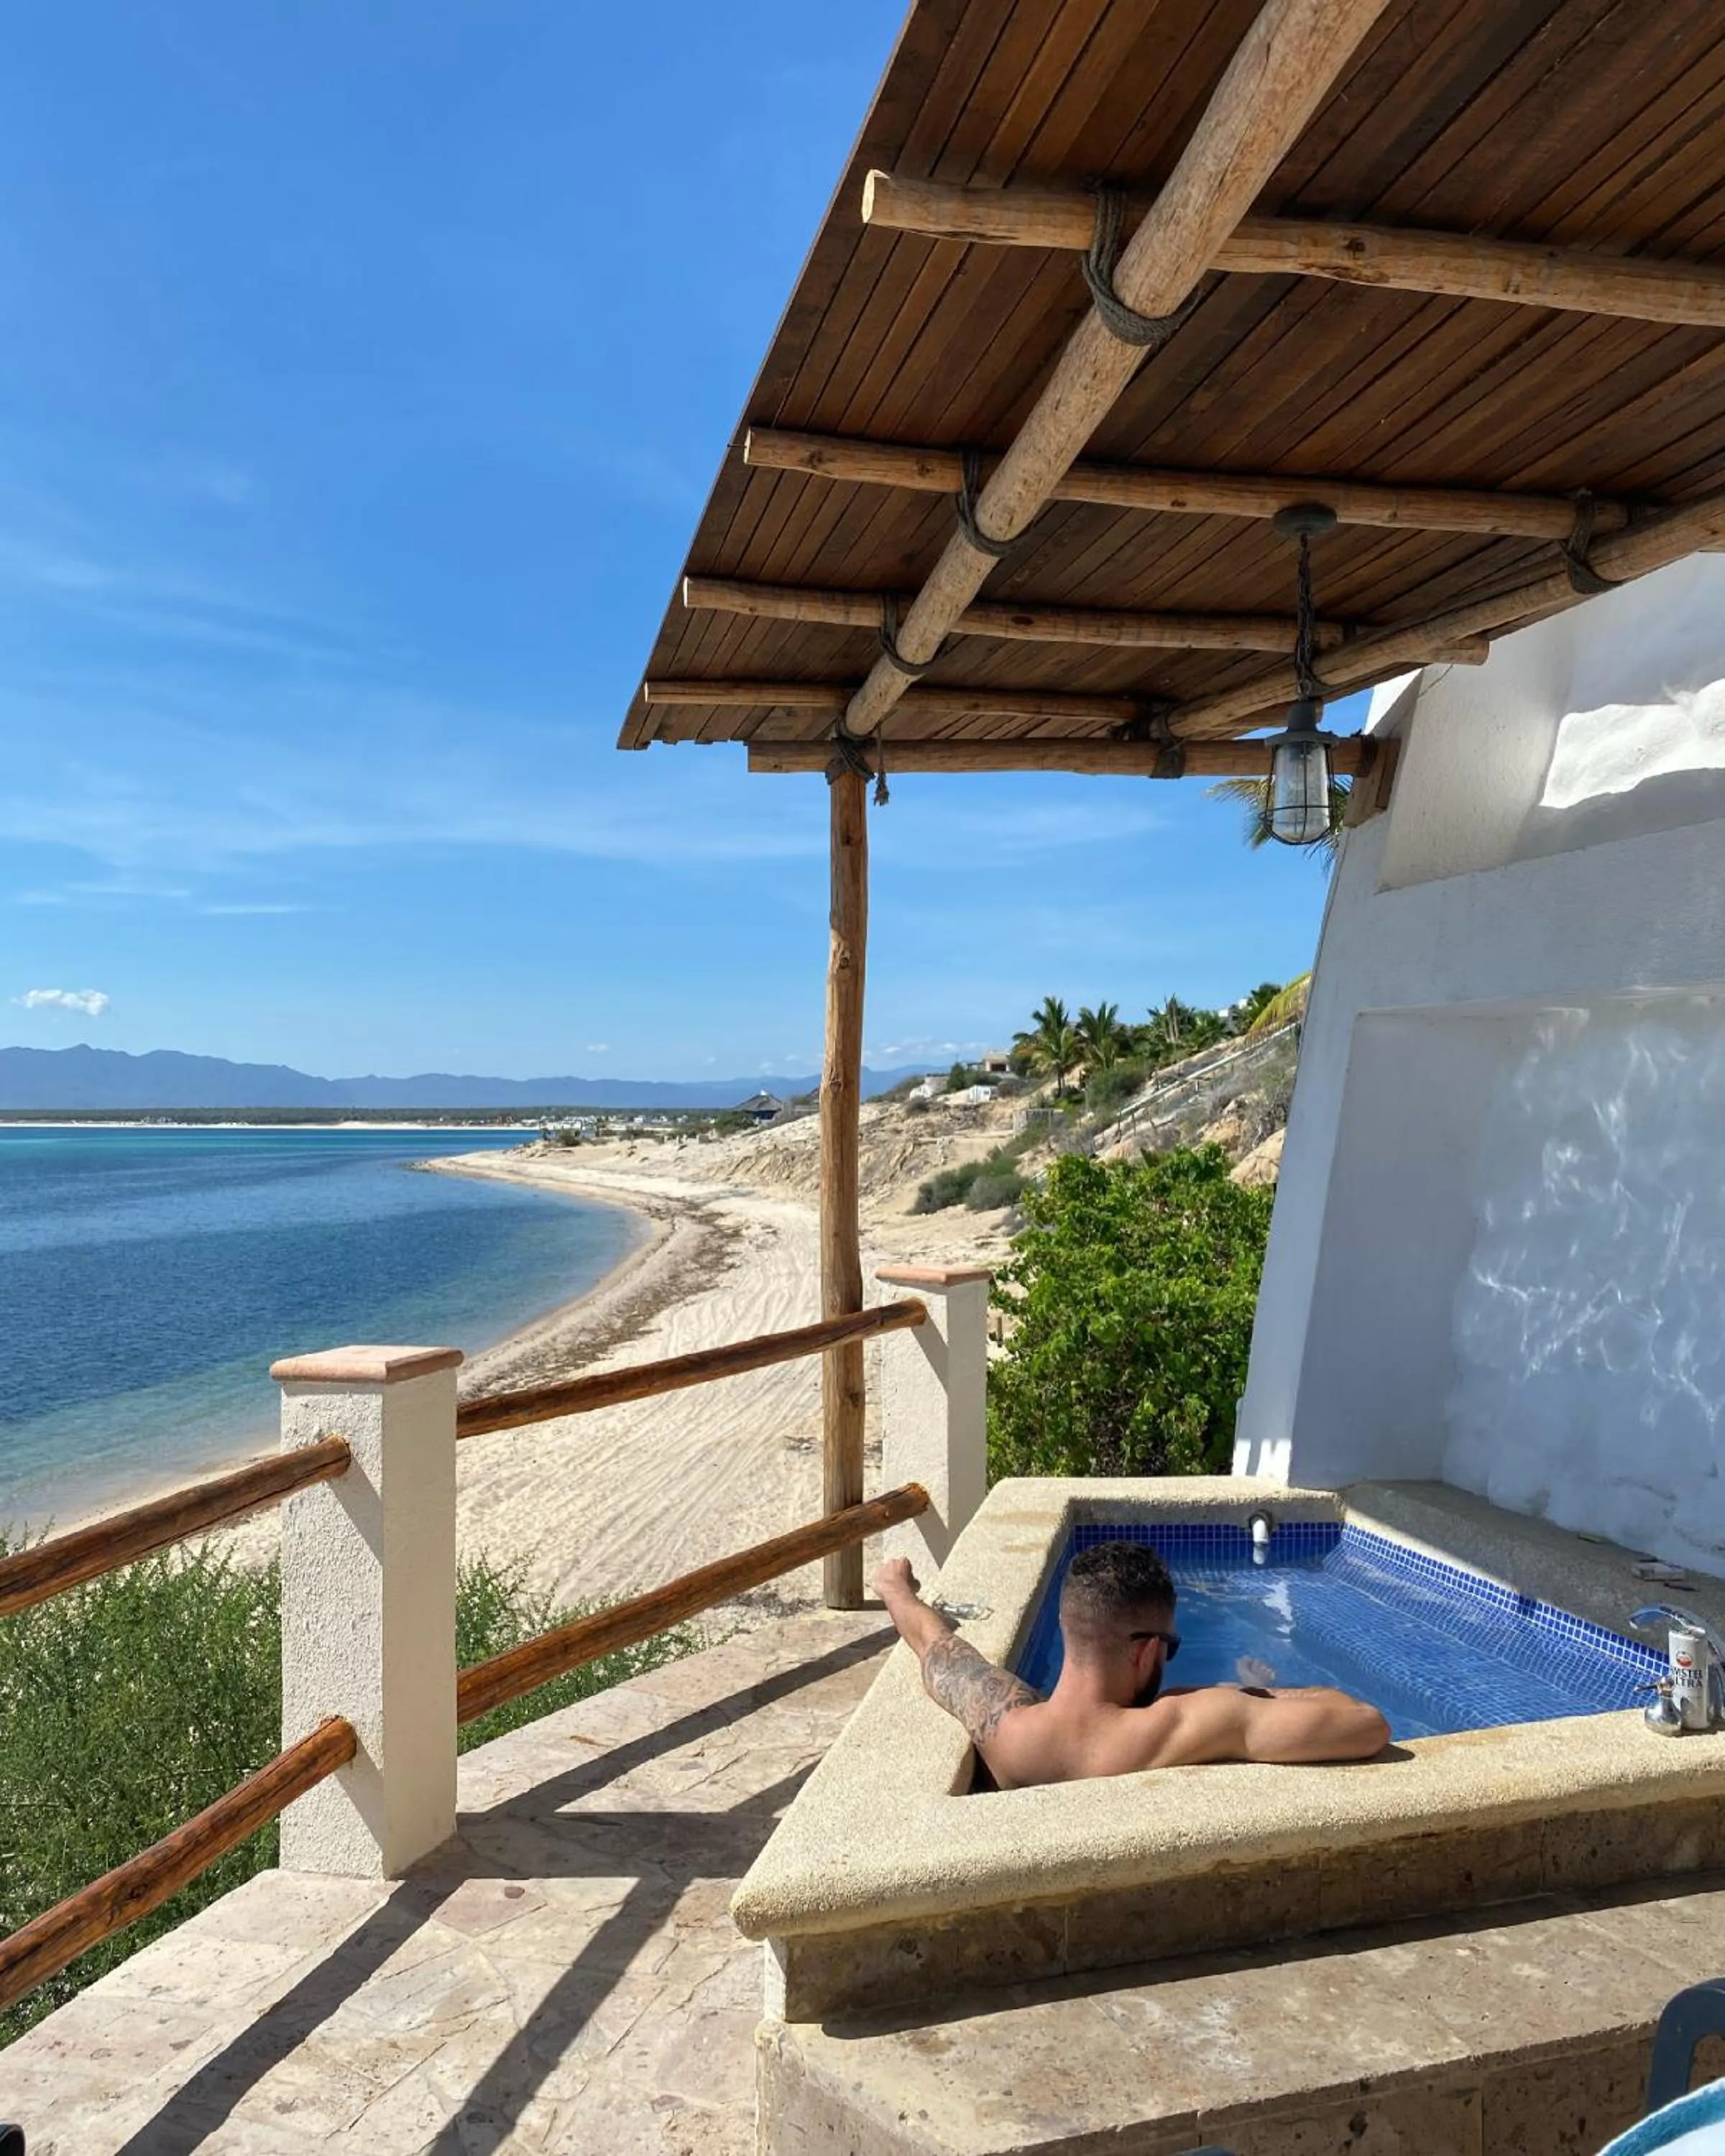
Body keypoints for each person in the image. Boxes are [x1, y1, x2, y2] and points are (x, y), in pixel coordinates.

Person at [871, 1540, 1389, 1789]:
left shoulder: (1004, 1722)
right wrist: (1247, 1694)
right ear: (1145, 1651)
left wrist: (897, 1589)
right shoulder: (1185, 1723)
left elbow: (935, 1646)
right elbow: (1366, 1724)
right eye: (1171, 1647)